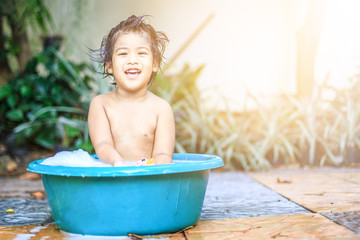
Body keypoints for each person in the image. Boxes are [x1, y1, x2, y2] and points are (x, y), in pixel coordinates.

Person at [88, 15, 175, 167]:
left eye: (141, 53)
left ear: (154, 64)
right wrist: (118, 163)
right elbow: (103, 145)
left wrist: (153, 167)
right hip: (112, 177)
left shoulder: (161, 108)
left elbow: (163, 154)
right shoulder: (101, 104)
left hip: (146, 178)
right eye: (123, 54)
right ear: (109, 66)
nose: (132, 60)